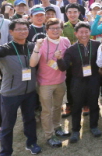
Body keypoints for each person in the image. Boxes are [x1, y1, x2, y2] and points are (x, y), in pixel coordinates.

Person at [0, 19, 41, 156]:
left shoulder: (33, 46)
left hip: (30, 92)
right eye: (19, 29)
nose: (23, 32)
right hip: (10, 93)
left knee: (30, 119)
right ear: (11, 32)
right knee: (7, 125)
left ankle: (31, 143)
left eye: (25, 29)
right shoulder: (4, 49)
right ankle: (6, 154)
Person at [56, 22, 102, 143]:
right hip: (78, 81)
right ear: (76, 34)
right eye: (81, 32)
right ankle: (76, 130)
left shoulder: (97, 45)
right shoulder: (71, 49)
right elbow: (64, 67)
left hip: (93, 79)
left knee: (94, 104)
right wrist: (59, 59)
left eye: (86, 32)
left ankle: (94, 126)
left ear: (90, 32)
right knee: (76, 106)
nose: (84, 34)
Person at [29, 18, 71, 147]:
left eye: (58, 28)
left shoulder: (65, 41)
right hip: (45, 83)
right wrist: (37, 47)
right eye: (52, 28)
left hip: (60, 81)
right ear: (46, 30)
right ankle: (49, 135)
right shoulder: (41, 43)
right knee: (46, 110)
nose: (56, 30)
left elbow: (69, 60)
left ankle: (57, 127)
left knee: (58, 106)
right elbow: (32, 63)